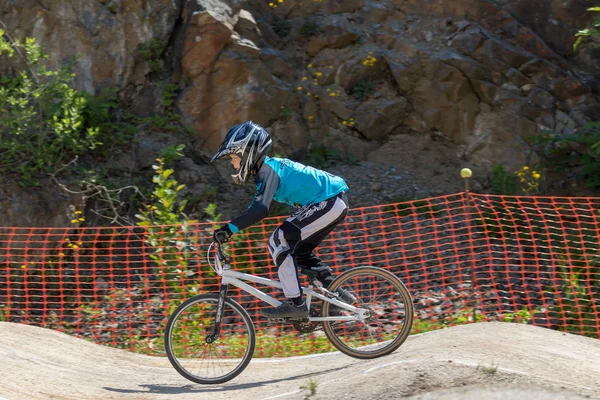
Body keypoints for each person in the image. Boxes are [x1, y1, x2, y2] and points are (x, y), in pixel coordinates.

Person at [210, 121, 354, 319]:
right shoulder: (268, 169)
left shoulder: (267, 170)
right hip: (332, 200)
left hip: (329, 199)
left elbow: (260, 209)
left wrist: (229, 229)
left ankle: (295, 303)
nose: (233, 164)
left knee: (279, 239)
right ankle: (340, 296)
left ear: (248, 154)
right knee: (300, 252)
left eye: (234, 158)